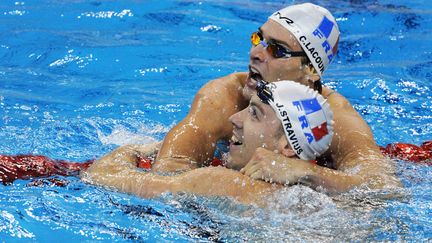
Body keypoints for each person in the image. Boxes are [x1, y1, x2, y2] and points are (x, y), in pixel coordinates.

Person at [100, 3, 401, 190]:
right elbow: (169, 171)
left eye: (277, 49)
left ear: (310, 70)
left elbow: (382, 185)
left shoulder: (337, 117)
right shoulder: (223, 97)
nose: (255, 54)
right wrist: (225, 188)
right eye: (259, 39)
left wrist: (304, 175)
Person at [82, 81, 338, 206]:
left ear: (288, 147)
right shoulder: (330, 195)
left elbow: (100, 176)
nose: (233, 119)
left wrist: (133, 149)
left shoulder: (226, 183)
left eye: (254, 114)